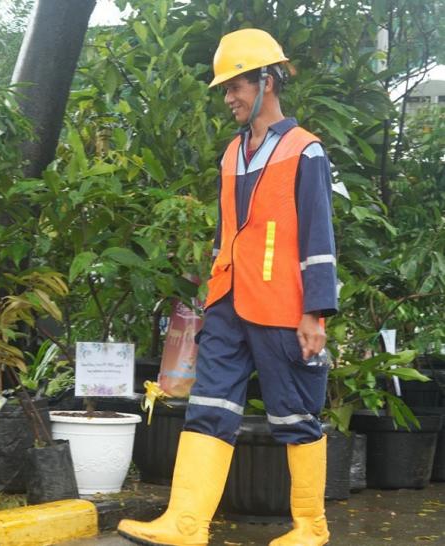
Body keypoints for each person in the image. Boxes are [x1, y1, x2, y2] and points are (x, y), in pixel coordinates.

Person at [118, 28, 338, 546]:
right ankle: (187, 522)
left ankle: (311, 527)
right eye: (224, 89)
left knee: (295, 413)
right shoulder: (231, 154)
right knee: (209, 406)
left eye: (236, 85)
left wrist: (317, 311)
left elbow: (319, 235)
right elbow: (227, 234)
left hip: (284, 305)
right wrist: (207, 300)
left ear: (267, 80)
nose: (229, 98)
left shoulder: (305, 151)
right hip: (227, 304)